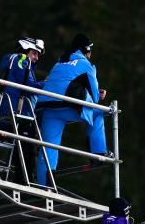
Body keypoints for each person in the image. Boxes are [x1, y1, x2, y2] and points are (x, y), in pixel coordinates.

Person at [35, 33, 109, 186]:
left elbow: (56, 81)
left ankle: (44, 183)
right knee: (98, 112)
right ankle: (99, 153)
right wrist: (98, 95)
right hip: (68, 104)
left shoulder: (59, 63)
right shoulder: (86, 64)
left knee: (49, 145)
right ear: (86, 50)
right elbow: (94, 98)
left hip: (48, 106)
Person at [0, 37, 45, 183]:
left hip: (8, 111)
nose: (36, 58)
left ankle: (23, 180)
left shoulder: (14, 60)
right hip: (18, 113)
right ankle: (26, 182)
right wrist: (48, 83)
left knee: (22, 148)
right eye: (34, 53)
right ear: (25, 49)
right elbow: (29, 86)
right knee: (28, 147)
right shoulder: (22, 60)